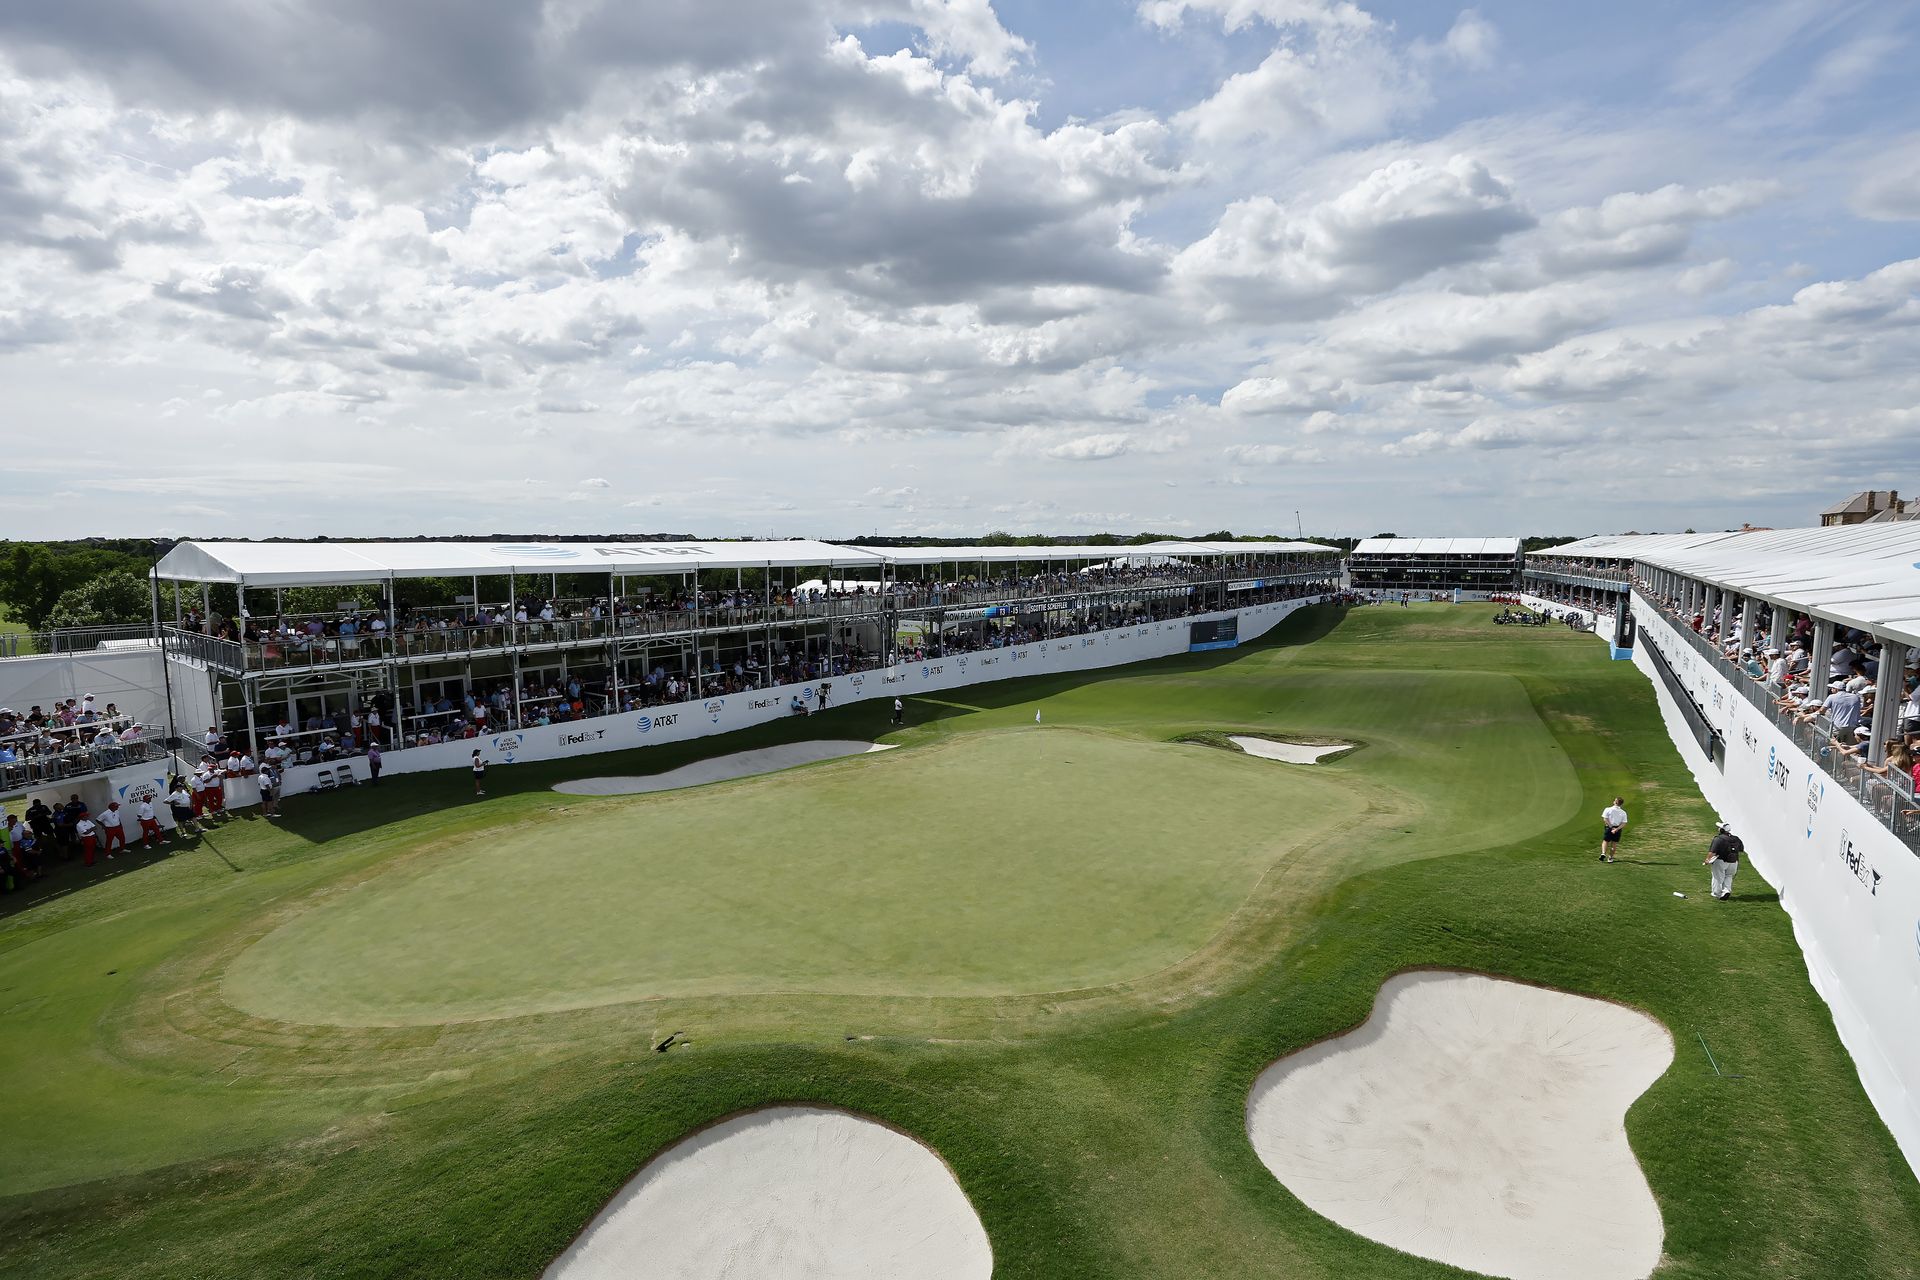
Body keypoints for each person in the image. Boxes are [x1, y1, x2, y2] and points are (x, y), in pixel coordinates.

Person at [1705, 821, 1743, 900]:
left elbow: (1712, 852)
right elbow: (1741, 849)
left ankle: (1717, 893)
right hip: (1733, 862)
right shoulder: (1736, 838)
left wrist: (1707, 860)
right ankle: (1726, 891)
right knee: (1729, 876)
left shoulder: (1718, 839)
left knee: (1718, 877)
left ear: (1722, 830)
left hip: (1720, 861)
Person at [1599, 796, 1628, 863]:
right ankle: (1610, 858)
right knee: (1614, 843)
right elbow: (1624, 823)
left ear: (1615, 802)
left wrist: (1611, 827)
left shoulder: (1608, 809)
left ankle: (1603, 853)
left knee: (1605, 841)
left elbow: (1605, 819)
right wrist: (1616, 829)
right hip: (1617, 829)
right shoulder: (1623, 812)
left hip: (1609, 827)